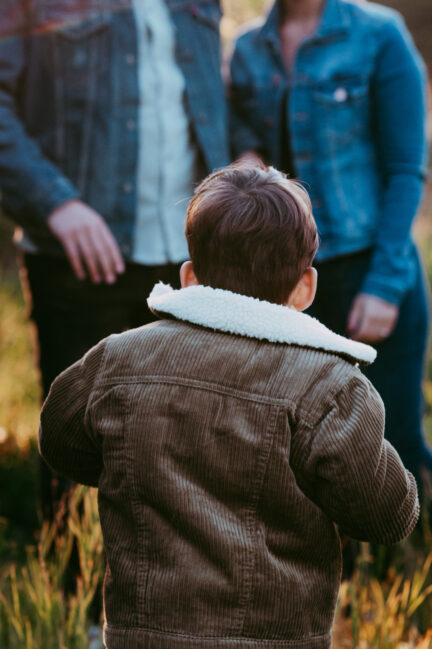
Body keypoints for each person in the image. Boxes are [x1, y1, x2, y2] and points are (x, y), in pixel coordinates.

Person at [39, 164, 418, 649]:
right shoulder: (331, 386)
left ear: (190, 277)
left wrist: (135, 464)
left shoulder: (118, 358)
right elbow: (386, 516)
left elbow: (62, 443)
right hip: (278, 638)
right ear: (306, 288)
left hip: (142, 635)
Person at [0, 0, 229, 518]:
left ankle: (166, 595)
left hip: (192, 261)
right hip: (77, 260)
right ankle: (69, 591)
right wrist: (54, 202)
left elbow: (212, 101)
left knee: (185, 450)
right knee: (76, 446)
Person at [229, 0, 432, 491]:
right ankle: (342, 564)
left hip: (371, 269)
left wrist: (385, 286)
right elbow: (240, 138)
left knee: (393, 441)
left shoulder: (379, 34)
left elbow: (406, 171)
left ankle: (408, 556)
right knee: (309, 448)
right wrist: (246, 154)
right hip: (285, 280)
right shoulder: (247, 49)